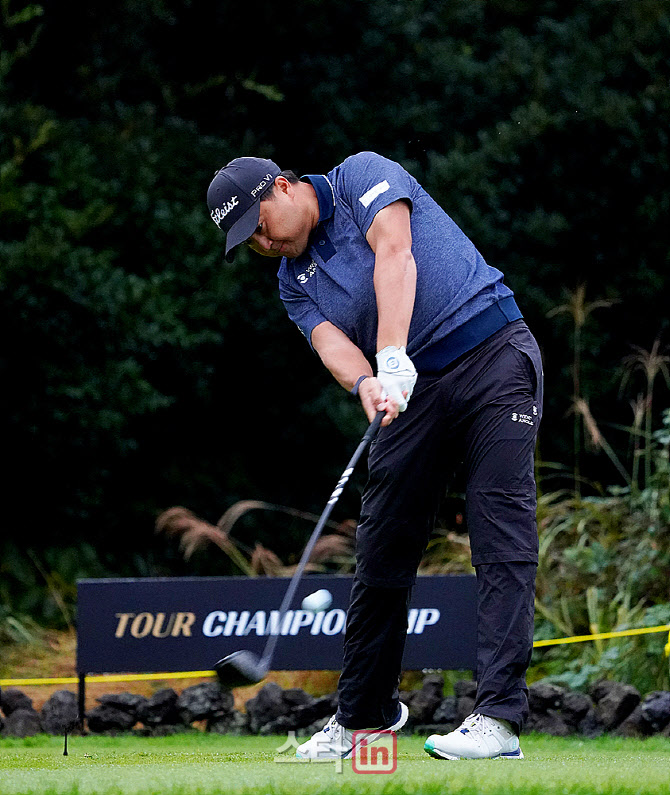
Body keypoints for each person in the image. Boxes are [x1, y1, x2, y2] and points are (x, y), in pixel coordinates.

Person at [206, 152, 543, 761]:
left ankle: (498, 718)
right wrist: (368, 384)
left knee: (501, 535)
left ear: (282, 187)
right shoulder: (292, 282)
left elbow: (396, 255)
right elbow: (331, 345)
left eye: (258, 224)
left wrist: (390, 353)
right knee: (382, 545)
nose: (261, 243)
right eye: (246, 241)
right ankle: (365, 715)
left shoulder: (360, 176)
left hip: (492, 356)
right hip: (410, 390)